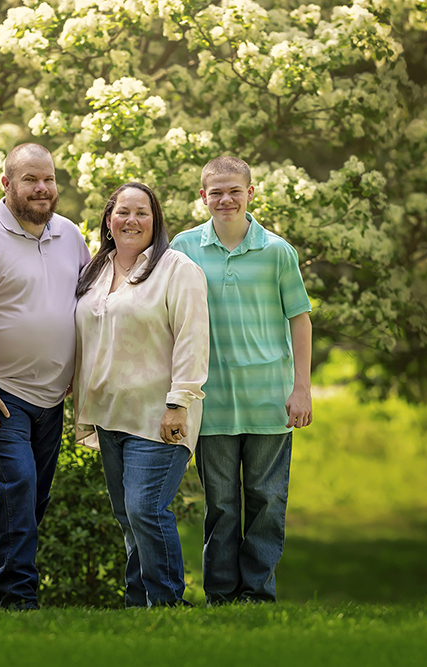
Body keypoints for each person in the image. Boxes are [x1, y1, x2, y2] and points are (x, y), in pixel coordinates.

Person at [170, 156, 313, 605]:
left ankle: (258, 592)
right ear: (203, 196)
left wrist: (301, 387)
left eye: (235, 190)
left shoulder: (277, 251)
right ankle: (221, 595)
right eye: (216, 192)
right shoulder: (183, 247)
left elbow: (300, 320)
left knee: (266, 501)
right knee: (222, 506)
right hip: (210, 403)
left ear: (251, 193)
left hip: (269, 400)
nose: (226, 199)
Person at [0, 144, 91, 610]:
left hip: (51, 396)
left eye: (48, 179)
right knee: (19, 485)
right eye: (30, 179)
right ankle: (18, 601)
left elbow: (91, 305)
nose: (42, 188)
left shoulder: (70, 235)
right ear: (5, 183)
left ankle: (0, 594)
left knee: (32, 499)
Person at [73, 182, 209, 608]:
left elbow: (192, 339)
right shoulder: (95, 270)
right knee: (129, 517)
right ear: (108, 221)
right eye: (123, 212)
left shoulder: (177, 269)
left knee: (146, 509)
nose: (132, 220)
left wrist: (178, 403)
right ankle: (138, 606)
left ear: (156, 222)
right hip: (109, 414)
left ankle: (167, 605)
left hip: (160, 412)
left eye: (142, 213)